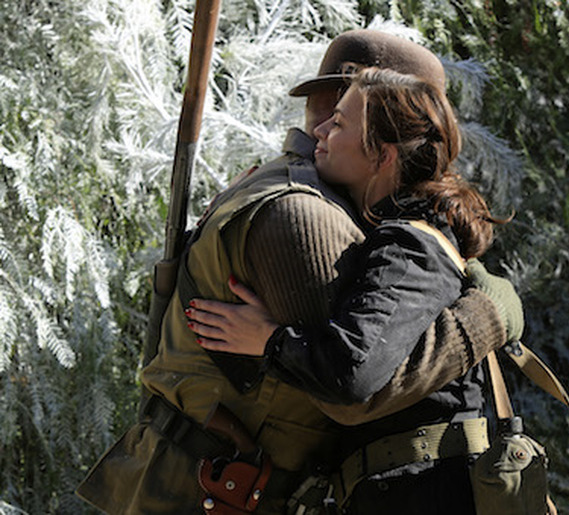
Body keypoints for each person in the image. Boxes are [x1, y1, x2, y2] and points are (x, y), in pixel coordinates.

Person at [76, 30, 522, 515]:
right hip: (207, 488)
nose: (327, 127)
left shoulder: (334, 206)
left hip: (218, 482)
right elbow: (354, 389)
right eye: (338, 114)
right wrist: (488, 315)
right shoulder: (306, 214)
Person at [189, 66, 514, 514]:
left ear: (382, 157)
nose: (320, 130)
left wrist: (268, 341)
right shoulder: (403, 233)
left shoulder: (411, 246)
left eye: (339, 123)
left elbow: (353, 373)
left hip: (429, 494)